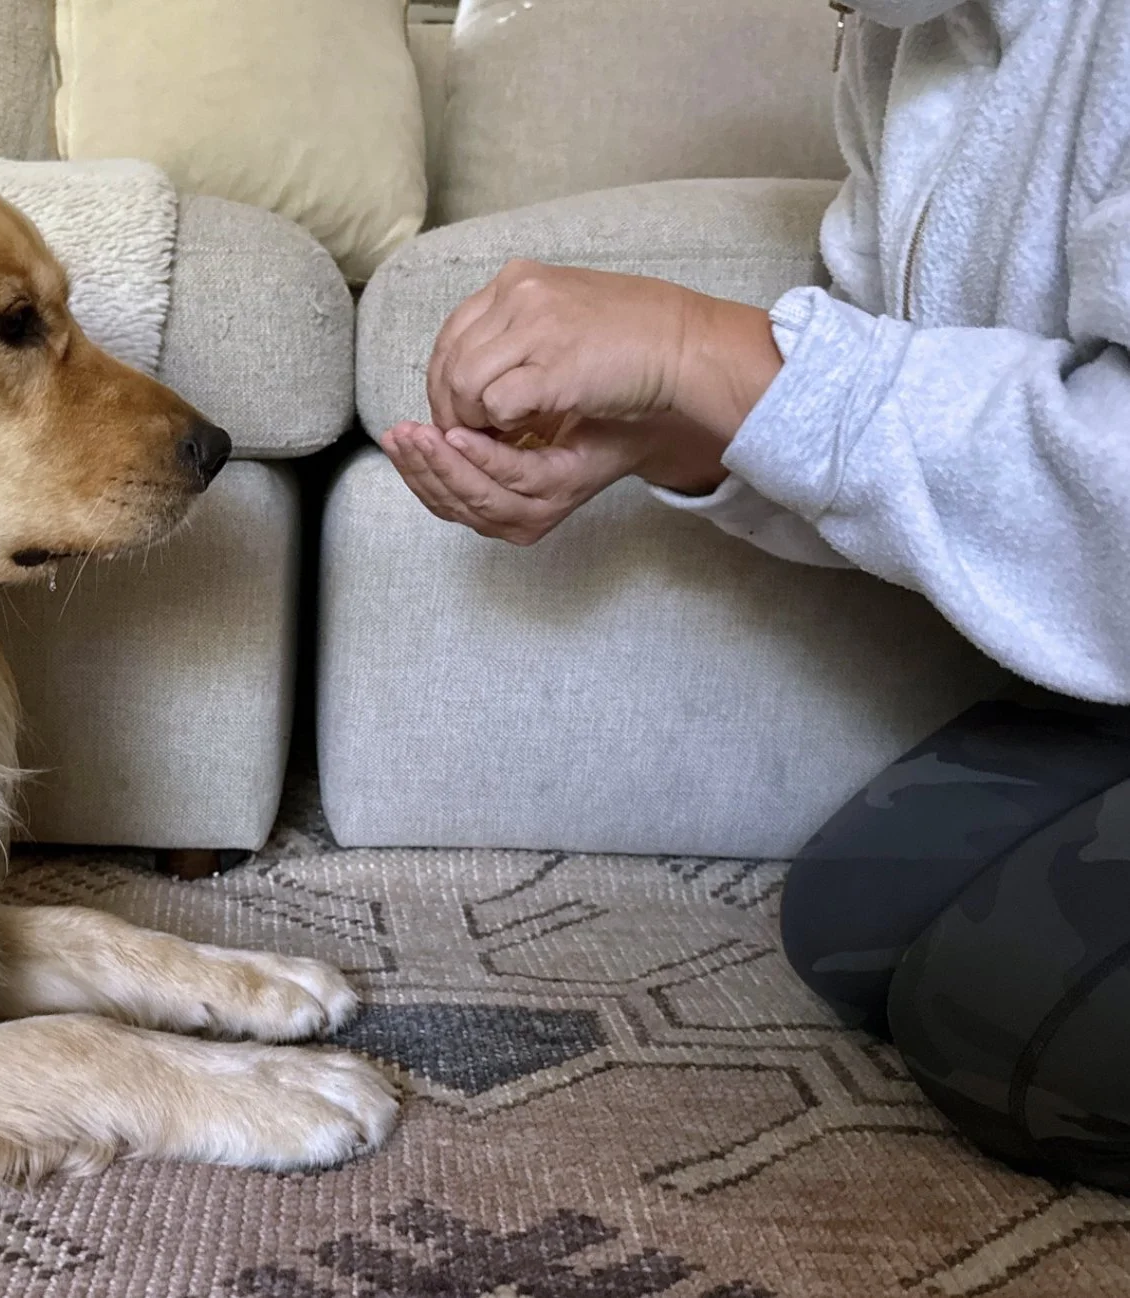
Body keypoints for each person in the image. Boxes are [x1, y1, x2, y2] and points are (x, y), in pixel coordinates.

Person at [383, 0, 1130, 1191]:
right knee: (854, 923)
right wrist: (672, 431)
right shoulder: (904, 36)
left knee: (993, 1012)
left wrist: (698, 347)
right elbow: (900, 449)